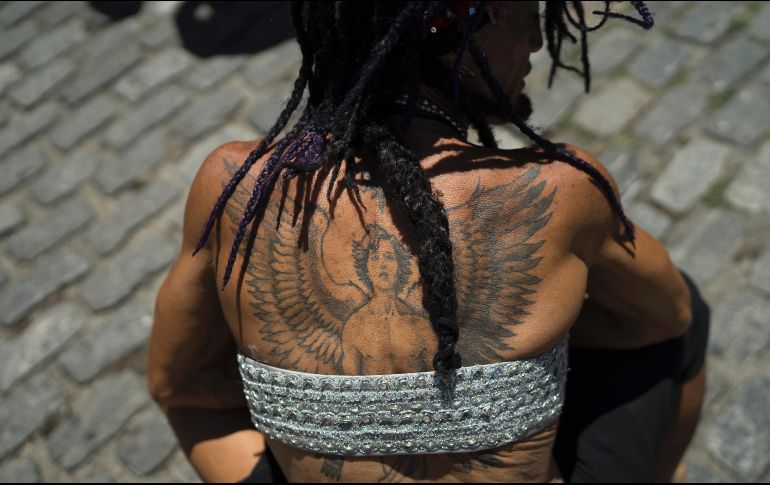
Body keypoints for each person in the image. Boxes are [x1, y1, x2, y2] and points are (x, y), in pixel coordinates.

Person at [147, 1, 708, 482]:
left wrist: (323, 417)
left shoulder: (235, 188)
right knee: (688, 318)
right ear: (455, 40)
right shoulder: (561, 191)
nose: (538, 39)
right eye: (524, 14)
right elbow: (664, 316)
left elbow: (177, 383)